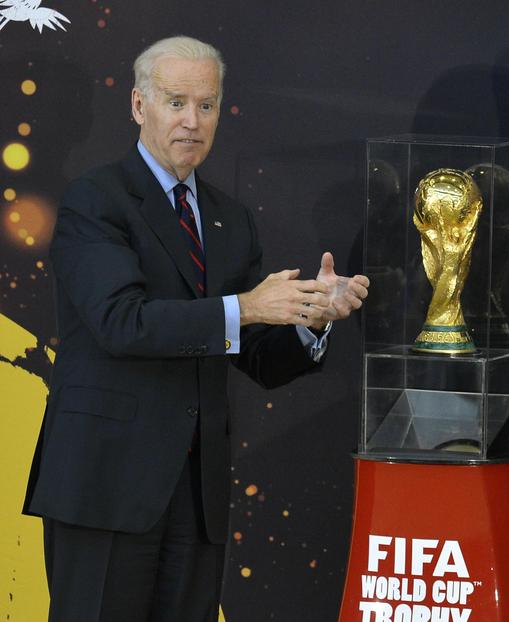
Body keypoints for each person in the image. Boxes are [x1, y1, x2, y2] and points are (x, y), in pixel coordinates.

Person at [23, 36, 369, 621]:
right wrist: (248, 308)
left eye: (206, 106)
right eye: (176, 102)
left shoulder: (229, 218)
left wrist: (311, 319)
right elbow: (121, 322)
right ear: (138, 106)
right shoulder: (95, 200)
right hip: (106, 487)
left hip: (196, 496)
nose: (192, 121)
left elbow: (257, 355)